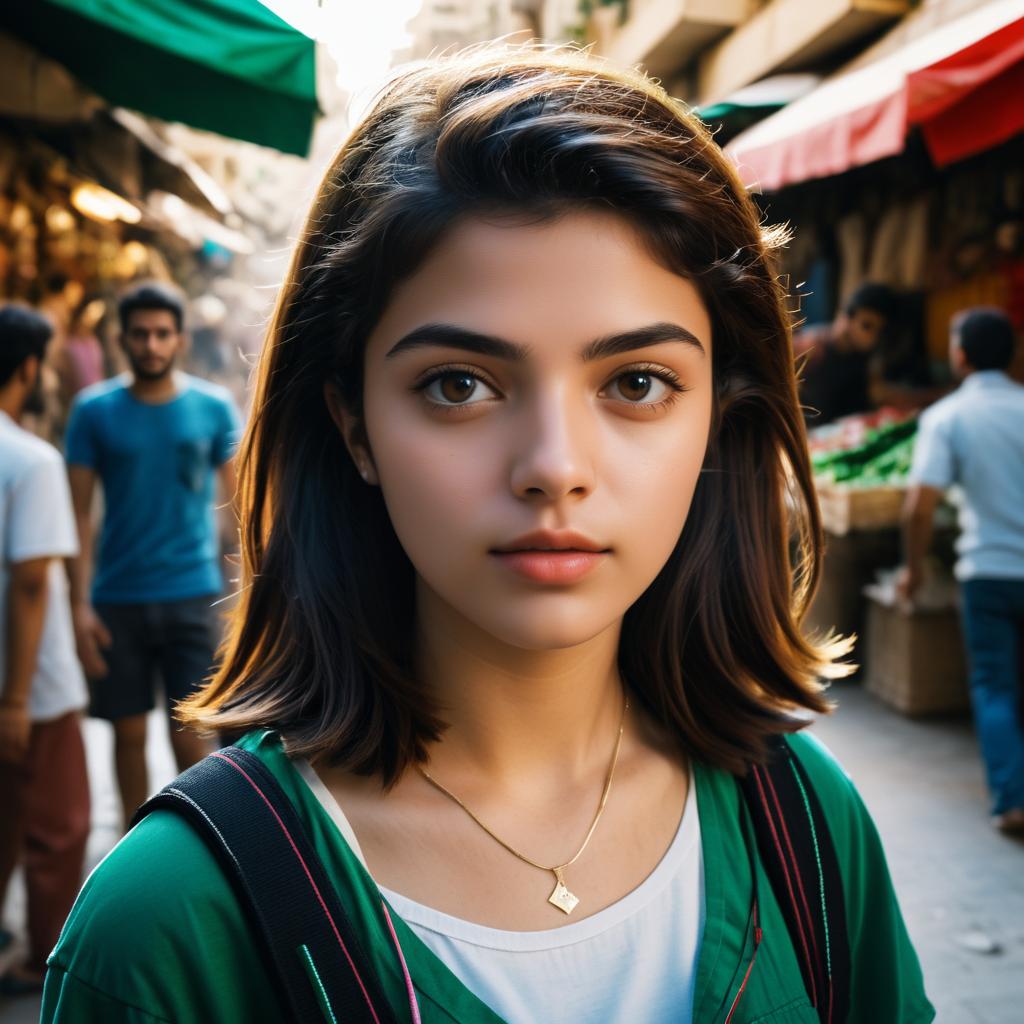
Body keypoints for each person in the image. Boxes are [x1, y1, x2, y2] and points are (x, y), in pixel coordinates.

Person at [41, 46, 933, 1023]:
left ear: (718, 413)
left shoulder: (804, 823)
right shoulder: (169, 925)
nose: (553, 463)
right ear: (354, 425)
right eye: (459, 384)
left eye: (636, 383)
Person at [64, 281, 242, 828]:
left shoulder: (212, 408)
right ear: (122, 340)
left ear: (180, 340)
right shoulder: (94, 412)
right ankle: (131, 844)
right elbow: (78, 515)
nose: (151, 344)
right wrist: (78, 606)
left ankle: (209, 844)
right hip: (117, 598)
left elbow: (236, 507)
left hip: (193, 594)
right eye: (139, 334)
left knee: (192, 733)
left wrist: (244, 594)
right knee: (128, 732)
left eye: (162, 333)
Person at [897, 307, 1024, 835]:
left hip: (987, 573)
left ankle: (1013, 800)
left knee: (994, 685)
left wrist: (914, 568)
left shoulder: (948, 418)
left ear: (961, 355)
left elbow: (920, 506)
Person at [0, 304, 90, 997]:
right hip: (31, 682)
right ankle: (40, 962)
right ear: (28, 369)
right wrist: (19, 699)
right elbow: (33, 585)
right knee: (59, 827)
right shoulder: (31, 461)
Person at [794, 282, 898, 424]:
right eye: (867, 326)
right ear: (846, 317)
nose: (873, 337)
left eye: (880, 331)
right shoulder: (811, 349)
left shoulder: (863, 357)